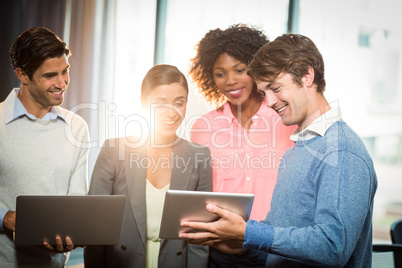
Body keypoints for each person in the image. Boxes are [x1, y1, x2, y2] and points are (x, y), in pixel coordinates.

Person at [180, 34, 378, 267]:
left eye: (275, 88)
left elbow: (333, 247)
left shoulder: (341, 151)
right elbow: (279, 246)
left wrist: (248, 233)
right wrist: (242, 248)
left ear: (307, 76)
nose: (271, 101)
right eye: (264, 93)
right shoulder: (298, 150)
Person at [84, 64, 212, 268]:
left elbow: (199, 236)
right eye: (160, 103)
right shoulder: (114, 150)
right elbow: (97, 228)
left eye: (179, 102)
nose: (171, 112)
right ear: (143, 103)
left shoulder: (199, 156)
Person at [189, 24, 296, 267]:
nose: (231, 81)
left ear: (256, 69)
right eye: (220, 73)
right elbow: (198, 191)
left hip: (274, 249)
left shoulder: (285, 120)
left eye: (240, 70)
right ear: (209, 76)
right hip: (221, 250)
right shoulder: (204, 126)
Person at [0, 27, 90, 267]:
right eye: (50, 75)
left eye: (65, 71)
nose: (62, 83)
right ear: (23, 75)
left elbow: (77, 199)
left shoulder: (77, 127)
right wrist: (5, 218)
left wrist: (74, 233)